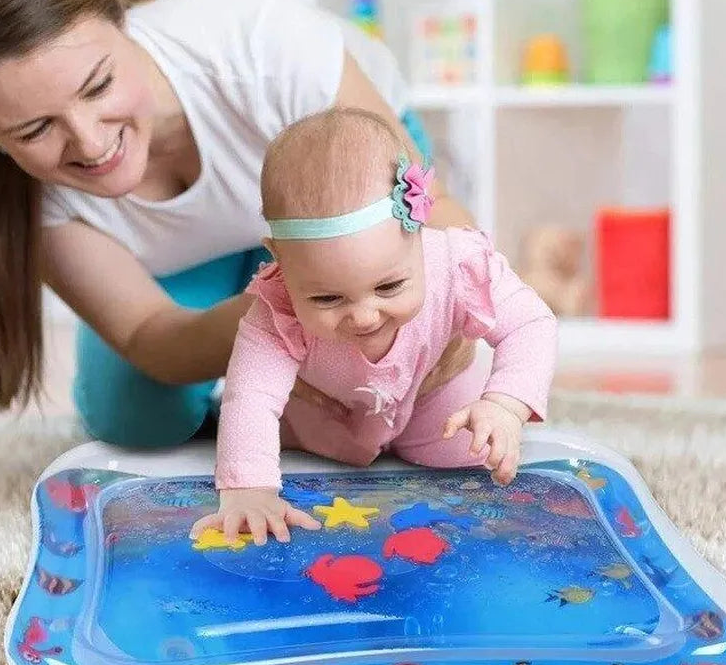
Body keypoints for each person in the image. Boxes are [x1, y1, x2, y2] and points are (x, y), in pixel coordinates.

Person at [0, 0, 474, 446]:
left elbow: (443, 218)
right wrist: (277, 331)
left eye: (98, 85)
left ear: (120, 18)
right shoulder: (26, 194)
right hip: (200, 256)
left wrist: (446, 325)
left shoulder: (254, 38)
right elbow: (149, 334)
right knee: (135, 419)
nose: (90, 142)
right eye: (35, 129)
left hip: (341, 181)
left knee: (419, 395)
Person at [190, 108, 558, 546]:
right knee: (287, 449)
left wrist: (504, 405)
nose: (364, 316)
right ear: (280, 261)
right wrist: (249, 488)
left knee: (478, 454)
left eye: (389, 286)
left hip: (433, 395)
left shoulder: (458, 265)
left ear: (420, 231)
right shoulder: (278, 308)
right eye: (327, 298)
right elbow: (251, 394)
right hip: (327, 411)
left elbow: (531, 323)